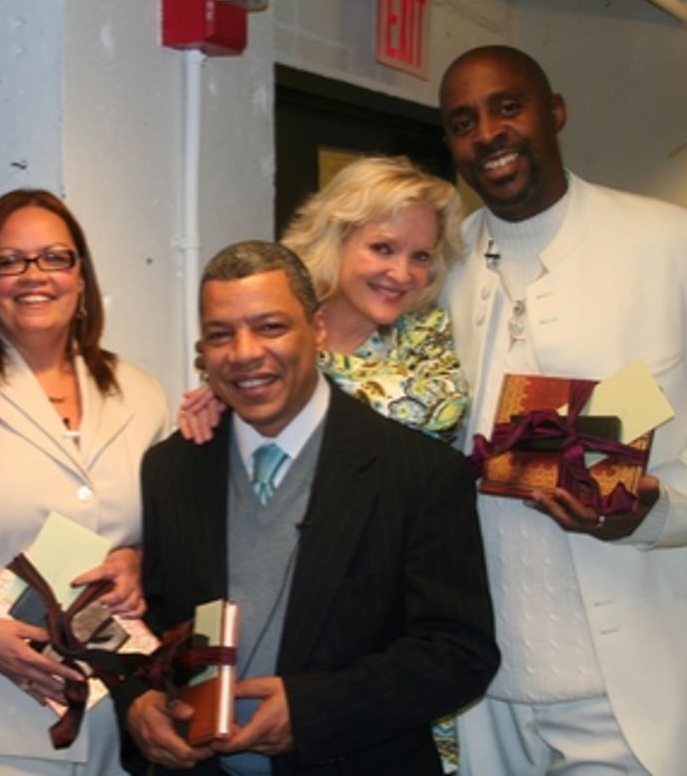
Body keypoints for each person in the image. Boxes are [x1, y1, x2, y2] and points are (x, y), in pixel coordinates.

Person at [438, 45, 687, 776]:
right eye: (463, 122)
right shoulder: (443, 269)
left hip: (629, 682)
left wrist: (664, 507)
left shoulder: (681, 249)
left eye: (508, 107)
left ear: (554, 113)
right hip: (482, 685)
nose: (487, 133)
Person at [117, 240, 498, 775]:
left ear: (317, 329)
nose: (245, 353)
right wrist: (136, 700)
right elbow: (152, 625)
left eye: (270, 327)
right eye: (221, 334)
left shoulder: (419, 474)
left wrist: (312, 711)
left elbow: (458, 653)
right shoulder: (169, 470)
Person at [0, 189, 171, 775]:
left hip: (104, 725)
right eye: (9, 261)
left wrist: (138, 560)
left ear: (81, 275)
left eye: (54, 258)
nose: (32, 276)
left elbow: (161, 527)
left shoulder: (142, 395)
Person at [179, 155, 468, 446]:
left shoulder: (425, 328)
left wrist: (294, 369)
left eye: (421, 256)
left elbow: (441, 412)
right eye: (383, 248)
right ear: (334, 240)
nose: (402, 274)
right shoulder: (278, 320)